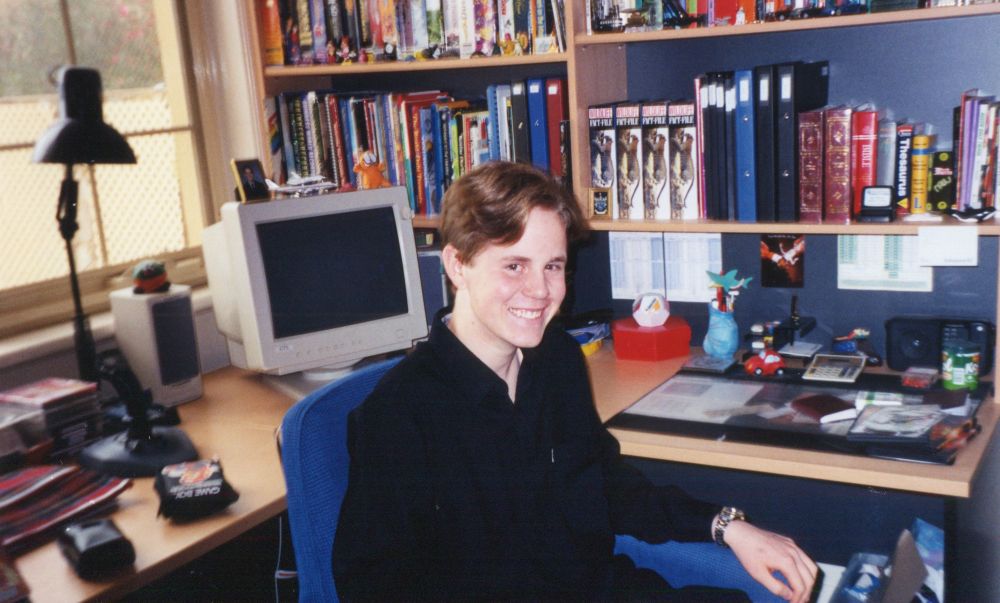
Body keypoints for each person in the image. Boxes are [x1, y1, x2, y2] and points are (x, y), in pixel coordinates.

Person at [333, 161, 817, 601]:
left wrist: (725, 525)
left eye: (553, 266)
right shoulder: (399, 415)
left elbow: (605, 483)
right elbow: (374, 586)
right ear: (458, 265)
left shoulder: (555, 359)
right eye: (514, 265)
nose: (540, 290)